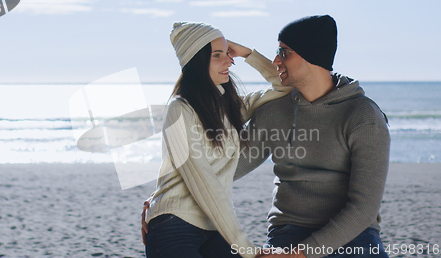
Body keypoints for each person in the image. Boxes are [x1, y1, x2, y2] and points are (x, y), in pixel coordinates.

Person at [232, 15, 391, 258]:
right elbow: (226, 170)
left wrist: (302, 254)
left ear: (312, 56)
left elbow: (364, 209)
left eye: (284, 53)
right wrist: (163, 200)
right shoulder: (273, 111)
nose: (275, 60)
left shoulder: (363, 115)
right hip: (288, 231)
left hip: (353, 235)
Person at [142, 22, 291, 258]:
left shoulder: (230, 108)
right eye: (218, 55)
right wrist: (247, 249)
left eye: (228, 53)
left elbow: (285, 87)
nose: (229, 61)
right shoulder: (179, 110)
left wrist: (248, 53)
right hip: (175, 225)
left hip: (214, 228)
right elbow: (205, 184)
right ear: (197, 61)